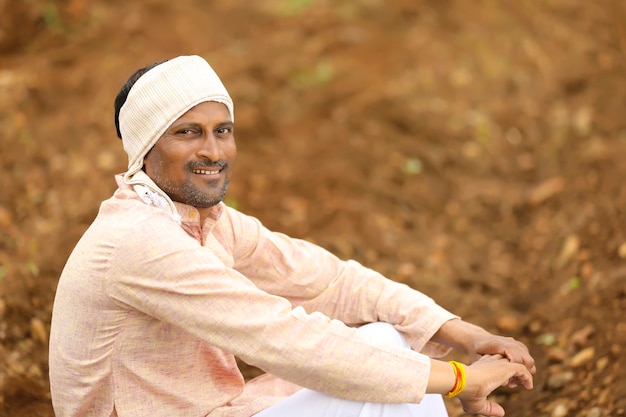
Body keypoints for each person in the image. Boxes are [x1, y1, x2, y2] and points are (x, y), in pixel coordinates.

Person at [48, 55, 535, 417]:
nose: (213, 150)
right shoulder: (138, 240)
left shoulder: (203, 219)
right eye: (188, 133)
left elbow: (333, 282)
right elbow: (283, 338)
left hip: (215, 409)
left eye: (223, 130)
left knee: (386, 341)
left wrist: (468, 335)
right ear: (144, 150)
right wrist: (458, 380)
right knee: (380, 391)